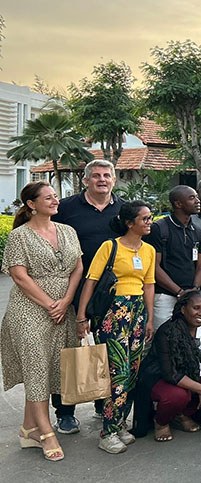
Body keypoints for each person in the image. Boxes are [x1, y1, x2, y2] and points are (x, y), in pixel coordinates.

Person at [2, 182, 82, 461]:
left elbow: (78, 266)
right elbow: (19, 275)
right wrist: (50, 304)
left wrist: (67, 299)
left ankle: (28, 429)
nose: (55, 200)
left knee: (48, 370)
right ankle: (46, 432)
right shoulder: (19, 236)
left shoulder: (68, 231)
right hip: (30, 311)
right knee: (36, 369)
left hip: (63, 309)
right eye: (48, 198)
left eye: (55, 196)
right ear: (32, 204)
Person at [76, 200, 156, 454]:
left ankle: (119, 423)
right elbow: (91, 281)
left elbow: (149, 285)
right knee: (117, 373)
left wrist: (150, 318)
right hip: (114, 313)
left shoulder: (149, 251)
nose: (149, 222)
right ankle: (107, 432)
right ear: (129, 223)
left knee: (132, 372)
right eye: (144, 219)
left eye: (150, 218)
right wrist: (81, 316)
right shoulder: (110, 247)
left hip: (137, 313)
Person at [51, 159, 122, 431]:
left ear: (114, 180)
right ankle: (65, 411)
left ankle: (102, 403)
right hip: (72, 289)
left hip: (112, 293)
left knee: (106, 352)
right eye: (96, 176)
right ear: (85, 181)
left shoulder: (123, 209)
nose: (102, 180)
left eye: (107, 175)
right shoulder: (66, 209)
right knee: (69, 352)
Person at [139, 290, 201, 442]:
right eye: (196, 308)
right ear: (183, 309)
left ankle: (183, 414)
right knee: (177, 396)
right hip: (162, 378)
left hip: (193, 374)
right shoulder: (168, 331)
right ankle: (161, 422)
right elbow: (170, 373)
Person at [145, 185, 201, 329]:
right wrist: (179, 292)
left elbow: (199, 267)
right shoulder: (159, 228)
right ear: (178, 204)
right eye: (192, 198)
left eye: (197, 197)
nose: (198, 201)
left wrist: (194, 290)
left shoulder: (198, 233)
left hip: (191, 299)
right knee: (163, 337)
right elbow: (154, 266)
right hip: (165, 297)